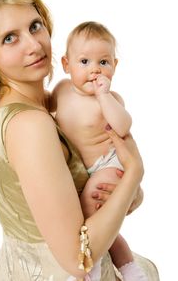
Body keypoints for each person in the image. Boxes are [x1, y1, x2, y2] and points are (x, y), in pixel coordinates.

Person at [0, 0, 159, 281]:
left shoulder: (16, 105)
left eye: (35, 26)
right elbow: (80, 259)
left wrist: (126, 195)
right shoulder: (30, 126)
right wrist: (134, 173)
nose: (34, 45)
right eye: (10, 38)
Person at [51, 21, 150, 280]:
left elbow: (123, 125)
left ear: (114, 67)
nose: (95, 70)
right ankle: (130, 268)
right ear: (66, 64)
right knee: (103, 225)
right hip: (82, 169)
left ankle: (90, 268)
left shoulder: (110, 100)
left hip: (109, 164)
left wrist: (104, 97)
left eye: (103, 63)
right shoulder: (61, 90)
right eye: (84, 62)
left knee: (89, 207)